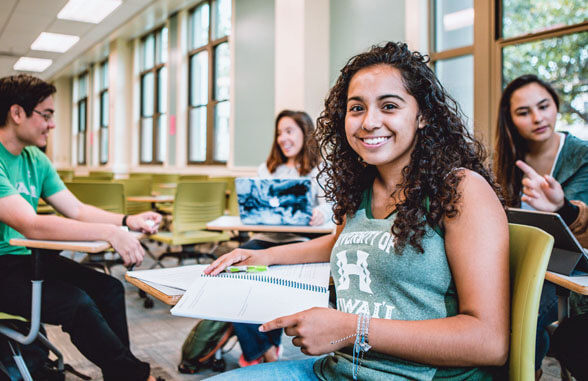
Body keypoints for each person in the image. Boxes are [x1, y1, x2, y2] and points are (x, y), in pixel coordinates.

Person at [204, 41, 509, 380]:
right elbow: (341, 243)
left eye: (389, 106)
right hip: (340, 369)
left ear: (423, 115)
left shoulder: (461, 189)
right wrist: (266, 256)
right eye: (356, 108)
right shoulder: (361, 186)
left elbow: (489, 342)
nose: (369, 122)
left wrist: (353, 329)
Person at [0, 74, 162, 381]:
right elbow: (31, 226)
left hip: (8, 260)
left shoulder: (34, 158)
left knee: (108, 288)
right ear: (17, 113)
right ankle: (134, 378)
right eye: (46, 115)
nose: (52, 124)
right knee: (75, 303)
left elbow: (75, 209)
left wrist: (125, 222)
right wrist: (109, 234)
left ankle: (122, 375)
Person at [493, 74, 588, 379]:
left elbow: (581, 224)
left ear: (555, 106)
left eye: (543, 106)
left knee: (524, 313)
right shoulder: (506, 160)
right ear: (510, 120)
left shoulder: (581, 155)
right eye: (523, 112)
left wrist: (563, 207)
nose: (537, 118)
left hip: (566, 271)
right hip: (512, 262)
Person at [232, 109, 332, 367]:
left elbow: (332, 206)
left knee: (271, 280)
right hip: (267, 237)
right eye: (279, 133)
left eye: (289, 131)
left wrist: (321, 212)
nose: (283, 138)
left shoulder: (319, 168)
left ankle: (259, 352)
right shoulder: (268, 168)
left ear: (305, 134)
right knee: (234, 271)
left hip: (300, 240)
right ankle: (264, 350)